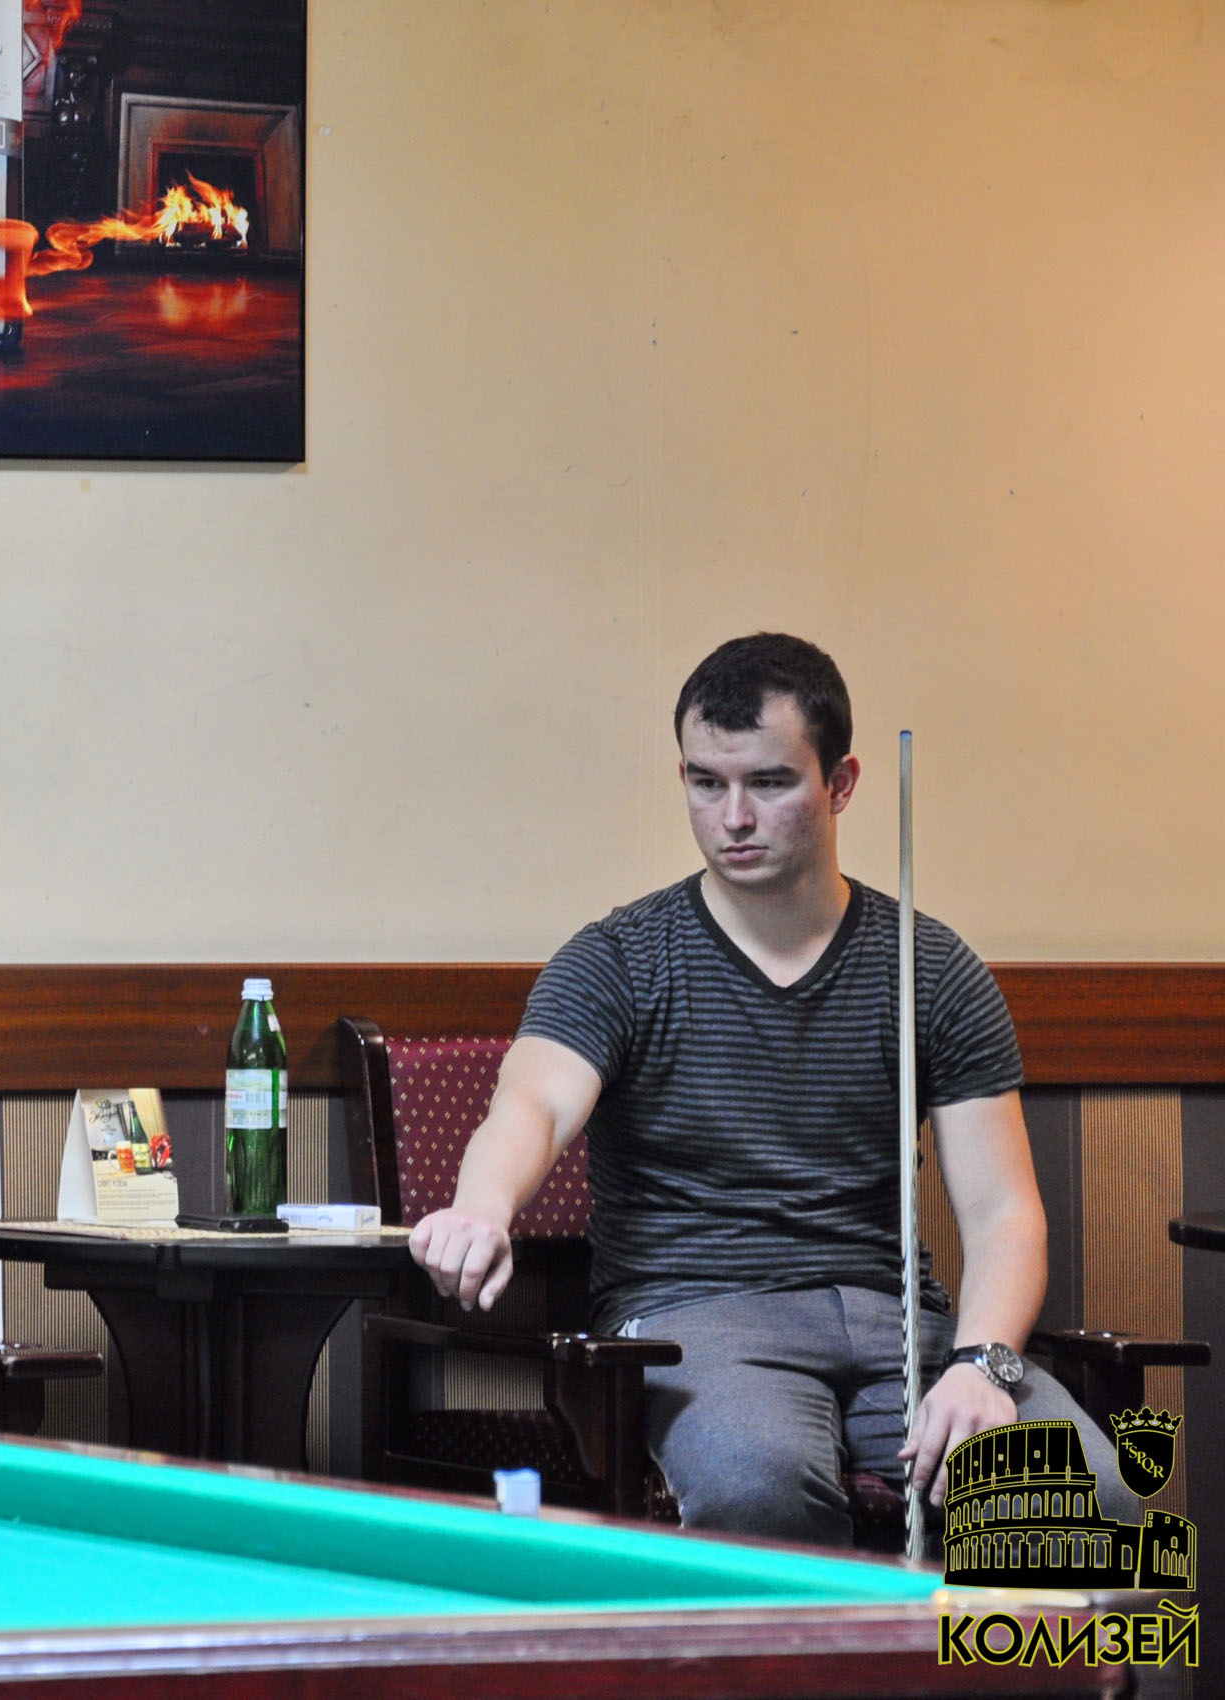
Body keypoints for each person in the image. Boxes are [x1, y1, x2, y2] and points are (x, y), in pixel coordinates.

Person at [407, 633, 1133, 1545]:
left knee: (1090, 1496)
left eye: (770, 782)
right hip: (696, 1319)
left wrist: (983, 1364)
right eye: (706, 783)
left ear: (842, 784)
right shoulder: (619, 958)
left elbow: (1004, 1215)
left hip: (895, 1323)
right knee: (762, 1489)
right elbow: (533, 1104)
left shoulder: (931, 967)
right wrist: (482, 1207)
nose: (734, 817)